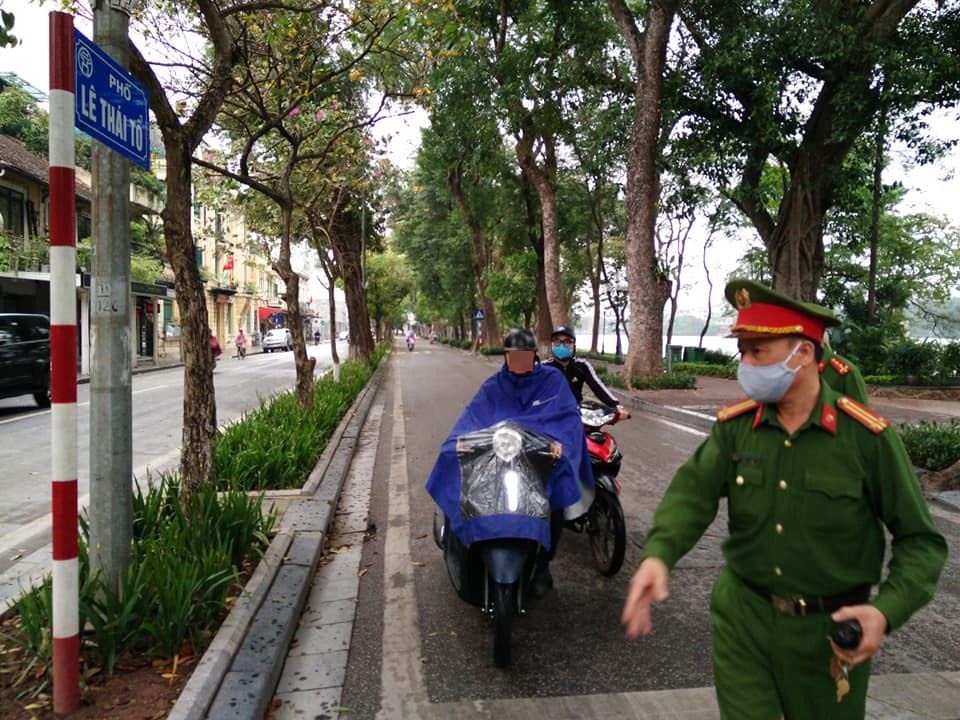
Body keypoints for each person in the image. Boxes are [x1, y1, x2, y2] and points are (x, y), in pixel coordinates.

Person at [621, 279, 947, 720]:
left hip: (829, 633)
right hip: (743, 619)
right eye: (742, 352)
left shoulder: (865, 438)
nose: (746, 365)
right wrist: (658, 555)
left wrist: (885, 612)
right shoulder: (736, 427)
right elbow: (692, 494)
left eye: (758, 352)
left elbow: (922, 541)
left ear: (804, 353)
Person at [425, 328, 593, 597]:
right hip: (499, 456)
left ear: (534, 356)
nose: (518, 362)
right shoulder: (494, 385)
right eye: (513, 356)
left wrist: (561, 444)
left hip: (539, 458)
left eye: (524, 356)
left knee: (555, 498)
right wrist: (457, 442)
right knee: (459, 476)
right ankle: (463, 540)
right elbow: (473, 417)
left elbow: (567, 418)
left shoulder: (552, 381)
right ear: (505, 357)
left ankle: (543, 563)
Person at [543, 325, 630, 421]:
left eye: (567, 342)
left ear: (574, 346)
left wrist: (616, 406)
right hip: (548, 418)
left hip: (576, 416)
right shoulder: (543, 367)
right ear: (552, 345)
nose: (561, 346)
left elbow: (597, 386)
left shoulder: (582, 366)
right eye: (557, 341)